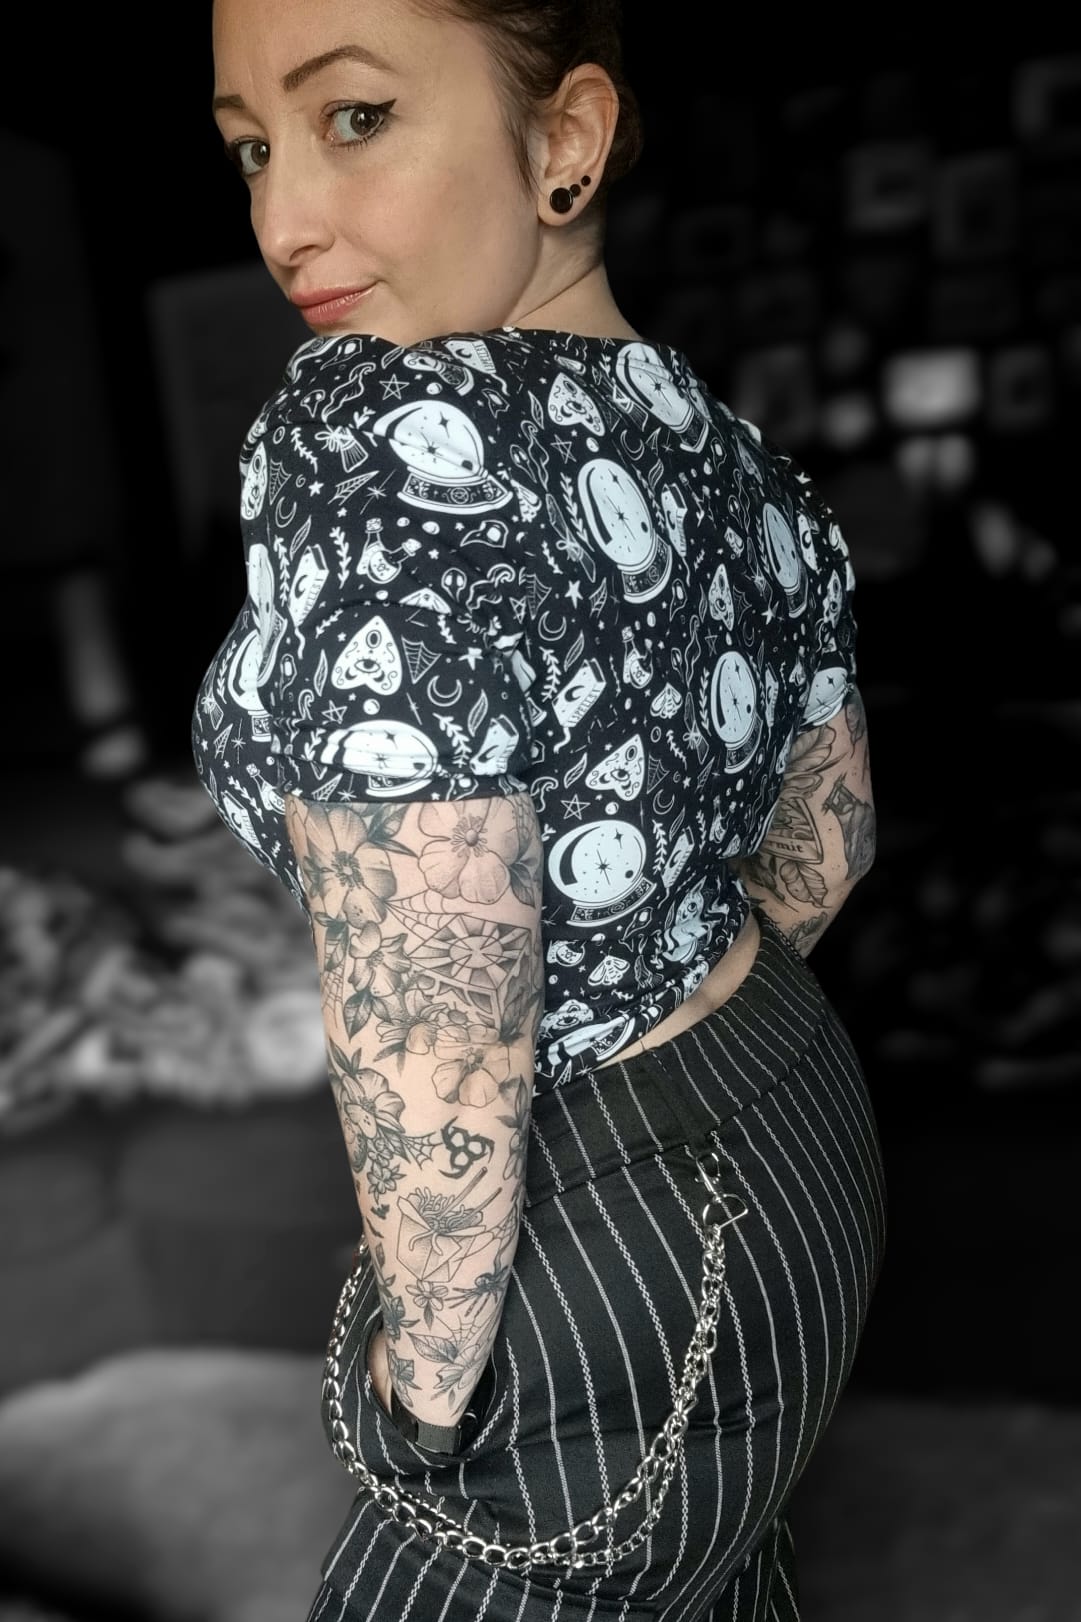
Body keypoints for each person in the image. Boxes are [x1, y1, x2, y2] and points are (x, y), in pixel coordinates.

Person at [193, 2, 888, 1617]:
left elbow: (434, 1010)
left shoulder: (369, 440)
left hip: (608, 1227)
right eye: (250, 147)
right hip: (798, 1124)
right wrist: (680, 999)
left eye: (354, 118)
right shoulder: (722, 446)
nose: (285, 218)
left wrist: (430, 1375)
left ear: (563, 139)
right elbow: (826, 843)